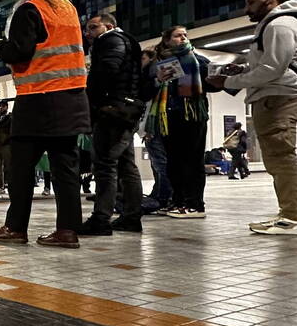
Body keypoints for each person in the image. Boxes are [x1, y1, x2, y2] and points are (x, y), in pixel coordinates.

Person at [0, 0, 91, 248]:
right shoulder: (67, 10)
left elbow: (20, 52)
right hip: (72, 101)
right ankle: (67, 231)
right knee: (65, 169)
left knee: (21, 168)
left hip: (38, 100)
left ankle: (15, 227)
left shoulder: (30, 8)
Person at [210, 0, 297, 234]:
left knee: (279, 158)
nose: (246, 9)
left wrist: (229, 80)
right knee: (281, 157)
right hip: (282, 93)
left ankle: (292, 216)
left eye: (252, 2)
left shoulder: (279, 24)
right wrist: (245, 69)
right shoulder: (282, 22)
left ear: (271, 0)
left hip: (278, 97)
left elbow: (273, 69)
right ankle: (291, 210)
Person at [141, 25, 218, 219]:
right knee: (173, 162)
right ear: (167, 40)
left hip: (193, 116)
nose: (183, 38)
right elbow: (144, 90)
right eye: (177, 36)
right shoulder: (158, 63)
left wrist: (220, 76)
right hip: (168, 116)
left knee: (193, 161)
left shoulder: (198, 60)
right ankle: (177, 201)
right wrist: (158, 80)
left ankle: (195, 204)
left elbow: (213, 84)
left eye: (185, 35)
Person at [78, 13, 144, 235]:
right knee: (126, 165)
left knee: (105, 165)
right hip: (126, 110)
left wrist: (92, 101)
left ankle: (101, 219)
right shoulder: (128, 42)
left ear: (109, 26)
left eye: (93, 27)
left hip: (112, 110)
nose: (88, 33)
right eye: (87, 29)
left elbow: (105, 71)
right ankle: (131, 217)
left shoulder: (110, 41)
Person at [138, 48, 172, 212]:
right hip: (156, 123)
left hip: (155, 124)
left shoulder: (152, 73)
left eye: (143, 58)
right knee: (158, 163)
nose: (140, 62)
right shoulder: (152, 74)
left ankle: (164, 197)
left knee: (160, 163)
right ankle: (160, 194)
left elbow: (146, 96)